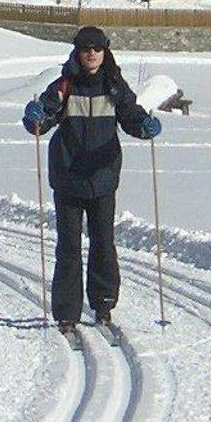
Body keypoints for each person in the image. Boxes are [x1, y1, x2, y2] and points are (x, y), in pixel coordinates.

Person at [22, 23, 161, 331]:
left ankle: (104, 304)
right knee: (68, 247)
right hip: (68, 178)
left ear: (105, 51)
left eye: (97, 48)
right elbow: (42, 121)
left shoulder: (114, 85)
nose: (92, 54)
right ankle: (67, 313)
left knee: (104, 243)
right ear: (78, 51)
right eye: (86, 48)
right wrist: (34, 117)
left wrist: (145, 127)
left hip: (103, 178)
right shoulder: (64, 85)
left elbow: (131, 116)